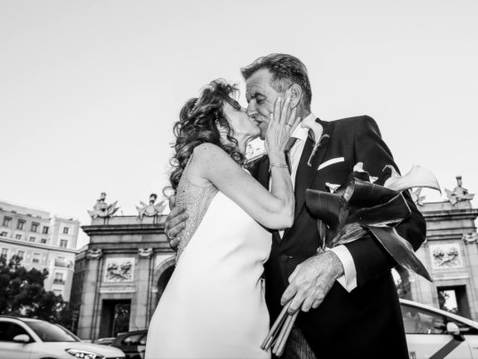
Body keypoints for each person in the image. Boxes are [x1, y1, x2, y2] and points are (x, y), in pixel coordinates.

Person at [165, 53, 427, 359]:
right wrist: (187, 224)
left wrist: (335, 262)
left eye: (257, 97)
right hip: (272, 339)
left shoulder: (352, 132)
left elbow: (406, 221)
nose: (250, 109)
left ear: (292, 95)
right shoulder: (251, 171)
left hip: (355, 334)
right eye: (246, 102)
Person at [145, 79, 301, 359]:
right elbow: (281, 214)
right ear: (218, 123)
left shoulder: (246, 175)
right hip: (200, 322)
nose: (250, 110)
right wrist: (277, 151)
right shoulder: (206, 154)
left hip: (248, 326)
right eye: (238, 108)